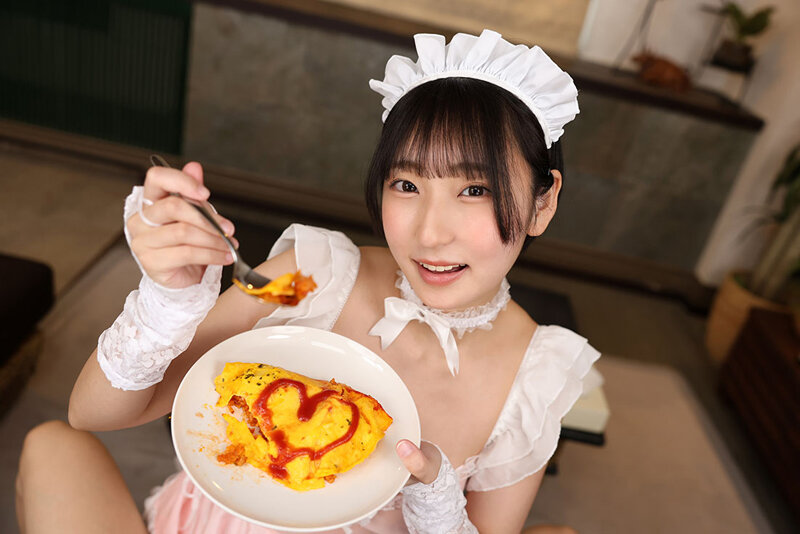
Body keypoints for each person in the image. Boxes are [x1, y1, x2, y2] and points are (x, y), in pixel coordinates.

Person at [16, 29, 599, 534]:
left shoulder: (534, 376)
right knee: (53, 446)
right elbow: (95, 413)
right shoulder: (311, 276)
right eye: (406, 185)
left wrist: (437, 504)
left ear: (543, 202)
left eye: (475, 190)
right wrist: (167, 301)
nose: (430, 233)